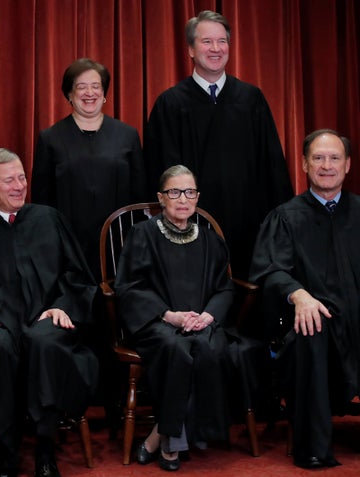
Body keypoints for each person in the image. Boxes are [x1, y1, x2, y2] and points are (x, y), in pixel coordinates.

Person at [0, 148, 98, 477]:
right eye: (8, 180)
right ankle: (5, 450)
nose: (19, 185)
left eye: (22, 177)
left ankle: (44, 446)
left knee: (46, 343)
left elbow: (79, 276)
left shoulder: (47, 218)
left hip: (45, 318)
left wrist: (61, 306)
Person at [144, 10, 293, 281]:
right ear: (190, 49)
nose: (216, 49)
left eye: (222, 41)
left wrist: (281, 223)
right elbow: (160, 172)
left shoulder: (251, 99)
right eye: (207, 42)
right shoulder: (171, 104)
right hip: (192, 228)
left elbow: (272, 166)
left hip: (250, 228)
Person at [250, 129, 359, 469]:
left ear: (348, 165)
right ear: (303, 164)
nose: (327, 166)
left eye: (334, 158)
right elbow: (270, 270)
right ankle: (313, 448)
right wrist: (299, 295)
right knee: (312, 328)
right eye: (318, 158)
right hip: (313, 317)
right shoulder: (286, 217)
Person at [113, 165, 234, 471]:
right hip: (157, 323)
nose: (183, 199)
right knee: (180, 349)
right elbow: (128, 287)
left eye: (190, 192)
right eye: (174, 192)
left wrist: (207, 316)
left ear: (197, 197)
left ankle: (159, 436)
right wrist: (170, 316)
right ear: (161, 197)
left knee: (206, 347)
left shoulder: (210, 241)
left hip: (203, 323)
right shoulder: (142, 235)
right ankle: (172, 445)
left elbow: (224, 287)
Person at [32, 57, 145, 281]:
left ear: (105, 94)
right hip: (68, 244)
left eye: (96, 86)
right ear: (69, 95)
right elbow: (41, 200)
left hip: (119, 242)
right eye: (81, 87)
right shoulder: (50, 138)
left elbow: (139, 193)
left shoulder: (127, 135)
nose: (89, 93)